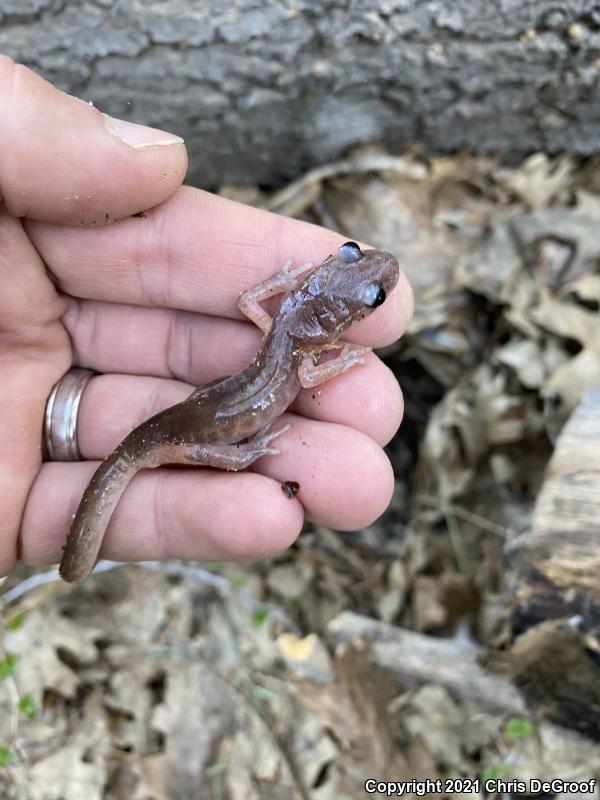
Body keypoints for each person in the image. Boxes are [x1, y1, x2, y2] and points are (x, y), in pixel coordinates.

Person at [0, 56, 413, 579]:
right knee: (230, 454)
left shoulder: (281, 320)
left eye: (372, 293)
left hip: (190, 417)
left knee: (185, 431)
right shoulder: (301, 346)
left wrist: (285, 288)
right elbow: (304, 373)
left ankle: (213, 450)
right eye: (350, 255)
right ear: (329, 280)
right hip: (182, 435)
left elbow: (249, 302)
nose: (369, 268)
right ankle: (237, 456)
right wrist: (344, 360)